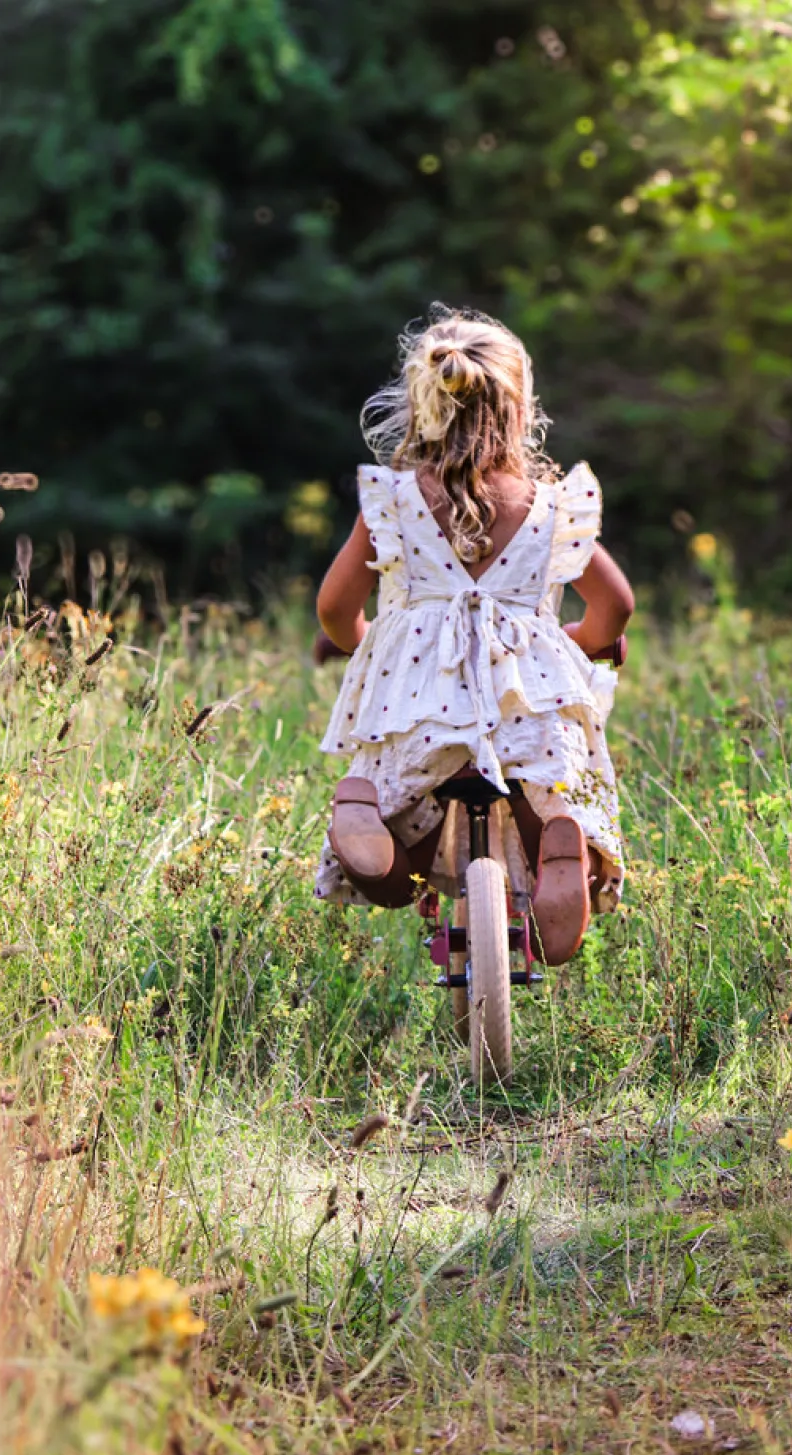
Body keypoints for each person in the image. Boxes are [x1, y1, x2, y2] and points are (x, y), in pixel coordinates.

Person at [312, 306, 633, 964]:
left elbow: (334, 606)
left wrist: (358, 638)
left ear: (421, 406)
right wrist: (584, 639)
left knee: (411, 827)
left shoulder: (396, 499)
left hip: (420, 708)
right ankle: (555, 846)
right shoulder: (548, 504)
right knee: (548, 789)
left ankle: (370, 821)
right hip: (527, 713)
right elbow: (617, 604)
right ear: (520, 410)